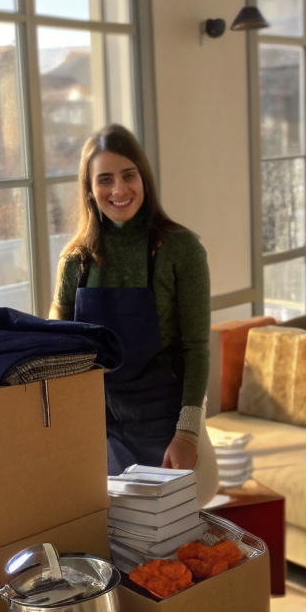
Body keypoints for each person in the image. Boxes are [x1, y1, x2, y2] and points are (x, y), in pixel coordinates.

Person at [50, 124, 217, 495]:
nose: (119, 190)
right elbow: (56, 346)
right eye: (105, 180)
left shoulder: (181, 250)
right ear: (89, 189)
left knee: (167, 530)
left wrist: (187, 433)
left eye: (128, 175)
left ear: (144, 178)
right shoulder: (75, 260)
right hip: (101, 431)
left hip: (167, 429)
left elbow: (196, 348)